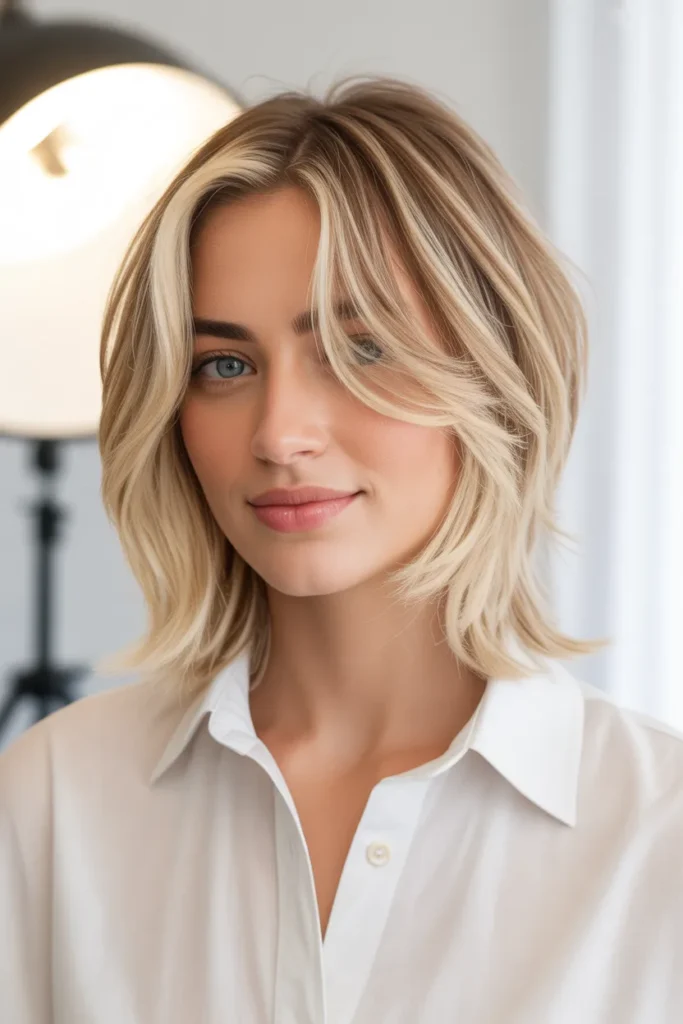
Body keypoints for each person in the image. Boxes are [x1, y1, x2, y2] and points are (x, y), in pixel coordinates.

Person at [1, 74, 682, 1024]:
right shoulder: (51, 802)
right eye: (224, 365)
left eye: (362, 349)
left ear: (494, 372)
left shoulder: (656, 838)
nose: (280, 434)